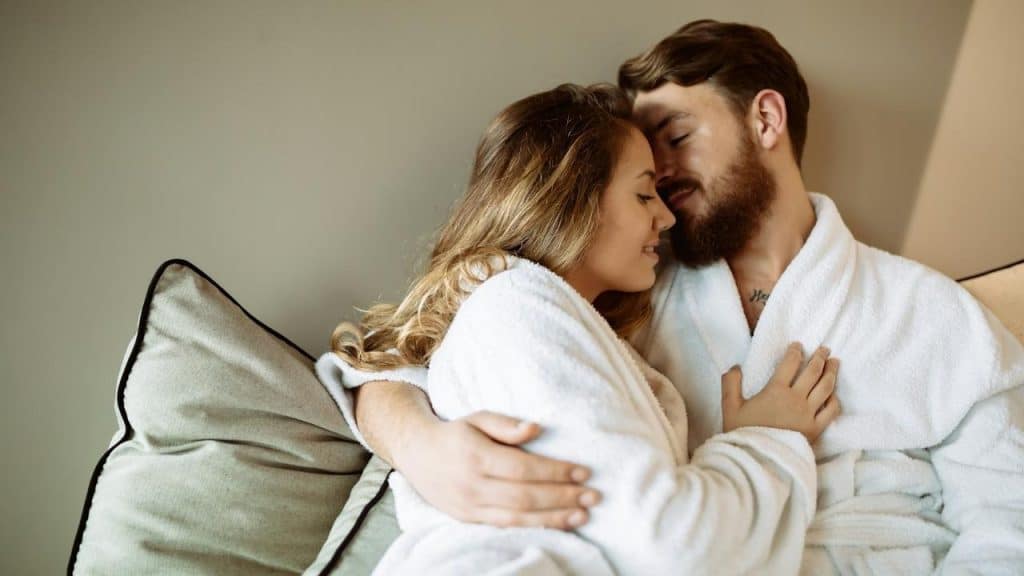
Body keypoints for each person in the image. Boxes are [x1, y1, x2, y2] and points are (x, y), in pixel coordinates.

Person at [328, 20, 1024, 575]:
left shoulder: (932, 313)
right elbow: (423, 352)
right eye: (642, 173)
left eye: (676, 137)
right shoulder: (619, 298)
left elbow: (1008, 519)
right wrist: (420, 445)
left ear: (767, 120)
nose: (660, 173)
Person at [318, 83, 841, 574]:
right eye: (644, 194)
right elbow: (672, 546)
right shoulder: (515, 307)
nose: (667, 218)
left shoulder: (555, 320)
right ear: (572, 198)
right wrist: (768, 440)